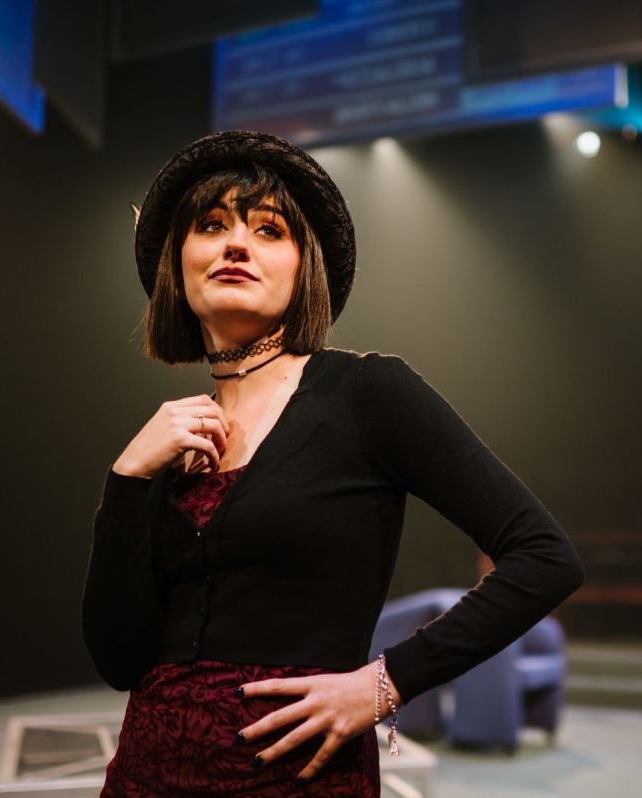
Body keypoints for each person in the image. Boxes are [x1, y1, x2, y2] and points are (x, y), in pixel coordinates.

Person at [80, 130, 584, 796]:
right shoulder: (167, 446)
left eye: (269, 230)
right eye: (211, 225)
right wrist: (127, 479)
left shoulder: (368, 393)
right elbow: (119, 659)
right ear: (178, 263)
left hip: (298, 777)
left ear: (303, 266)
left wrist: (386, 682)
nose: (236, 244)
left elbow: (545, 556)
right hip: (148, 773)